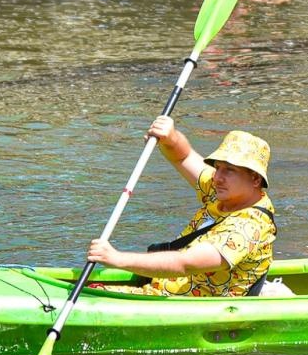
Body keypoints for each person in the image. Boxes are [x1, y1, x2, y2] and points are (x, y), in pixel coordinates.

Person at [86, 116, 276, 297]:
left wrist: (117, 258)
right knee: (86, 290)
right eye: (217, 167)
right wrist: (170, 137)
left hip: (196, 307)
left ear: (255, 179)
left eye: (229, 170)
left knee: (86, 295)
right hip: (164, 289)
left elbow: (185, 263)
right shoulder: (223, 192)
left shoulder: (247, 228)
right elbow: (182, 157)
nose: (217, 177)